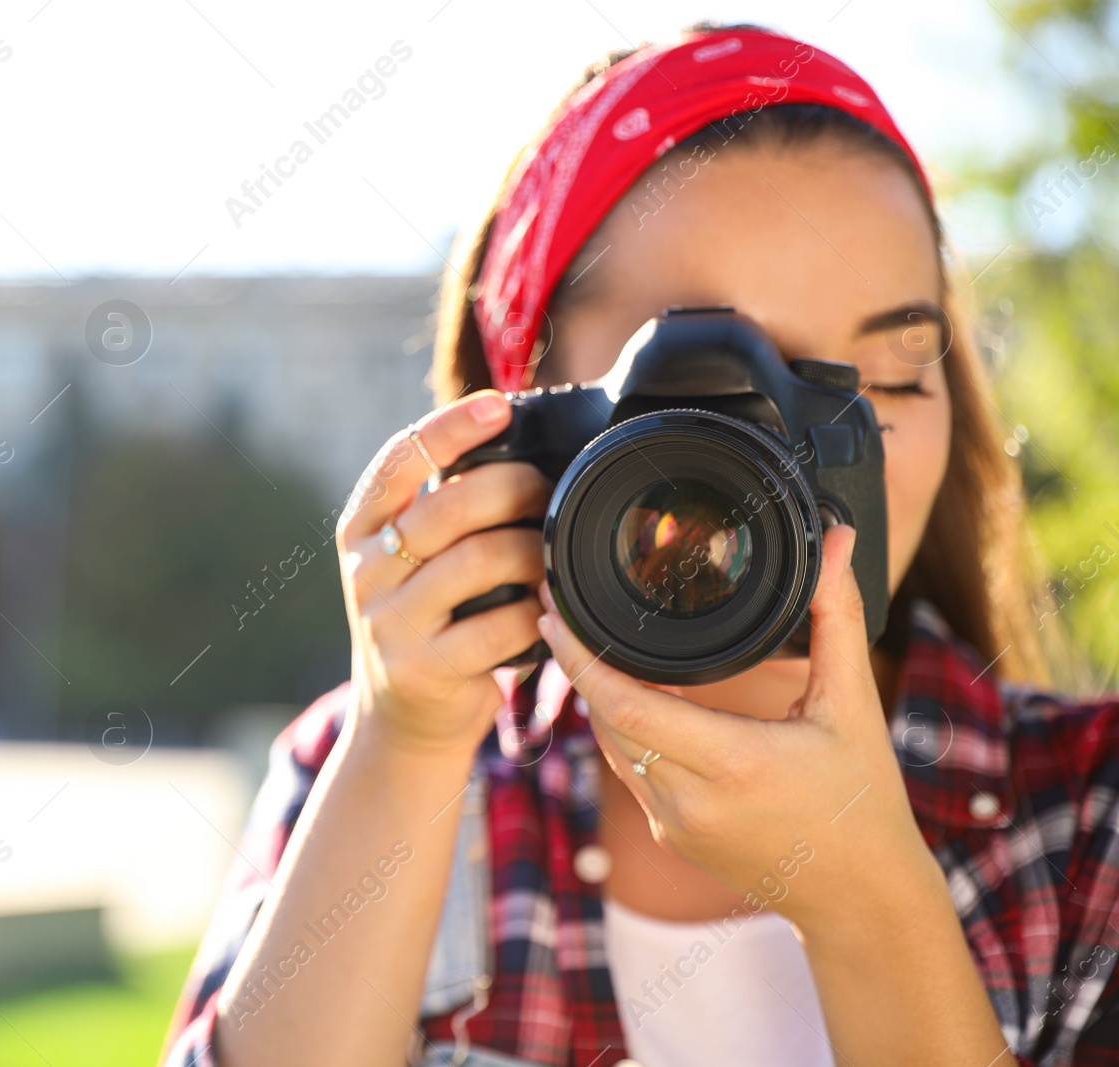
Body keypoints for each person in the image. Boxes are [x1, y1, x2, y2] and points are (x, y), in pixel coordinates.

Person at [160, 22, 1119, 1067]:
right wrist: (404, 752)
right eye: (718, 389)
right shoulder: (370, 766)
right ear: (524, 417)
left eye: (886, 379)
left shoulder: (1089, 819)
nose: (804, 447)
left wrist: (868, 904)